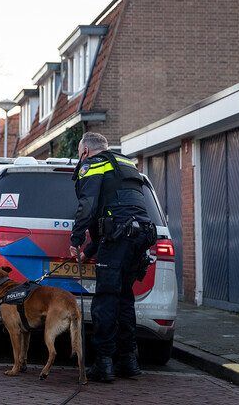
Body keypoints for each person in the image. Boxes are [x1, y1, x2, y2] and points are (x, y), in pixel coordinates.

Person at [68, 132, 155, 383]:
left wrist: (75, 240)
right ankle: (128, 361)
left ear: (85, 150)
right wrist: (89, 251)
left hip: (120, 236)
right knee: (124, 297)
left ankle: (104, 364)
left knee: (105, 298)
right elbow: (118, 215)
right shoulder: (125, 164)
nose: (78, 156)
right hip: (141, 234)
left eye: (78, 152)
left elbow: (88, 206)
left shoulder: (91, 164)